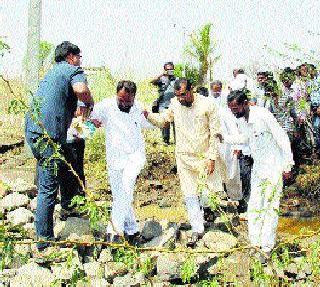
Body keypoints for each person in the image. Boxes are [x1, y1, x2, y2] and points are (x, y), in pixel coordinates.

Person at [25, 41, 94, 252]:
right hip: (49, 136)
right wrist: (89, 102)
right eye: (79, 56)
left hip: (34, 130)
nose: (80, 60)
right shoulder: (73, 70)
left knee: (62, 167)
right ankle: (44, 240)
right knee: (48, 187)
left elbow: (56, 104)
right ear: (71, 56)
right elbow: (81, 89)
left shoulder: (51, 75)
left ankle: (68, 208)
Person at [145, 78, 223, 247]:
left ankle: (207, 212)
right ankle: (197, 228)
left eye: (182, 95)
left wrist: (212, 157)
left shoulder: (208, 105)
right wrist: (148, 115)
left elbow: (216, 133)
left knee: (207, 194)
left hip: (204, 157)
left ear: (191, 90)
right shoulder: (174, 104)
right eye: (178, 95)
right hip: (184, 157)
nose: (180, 99)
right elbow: (163, 121)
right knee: (190, 193)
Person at [226, 90, 294, 262]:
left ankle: (267, 247)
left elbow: (282, 137)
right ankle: (254, 244)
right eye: (231, 109)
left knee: (270, 208)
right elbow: (246, 139)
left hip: (273, 168)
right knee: (254, 206)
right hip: (258, 169)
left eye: (235, 108)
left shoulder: (263, 115)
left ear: (245, 103)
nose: (234, 112)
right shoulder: (242, 120)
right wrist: (225, 138)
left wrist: (288, 165)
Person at [91, 80, 153, 245]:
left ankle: (114, 231)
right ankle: (132, 229)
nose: (124, 103)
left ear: (134, 97)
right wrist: (89, 125)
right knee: (120, 195)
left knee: (126, 189)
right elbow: (91, 121)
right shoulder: (105, 106)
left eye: (128, 101)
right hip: (115, 159)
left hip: (134, 157)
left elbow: (151, 124)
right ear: (116, 95)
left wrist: (153, 114)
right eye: (121, 100)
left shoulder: (139, 108)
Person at [209, 80, 242, 201]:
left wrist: (237, 146)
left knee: (231, 172)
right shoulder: (206, 106)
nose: (216, 91)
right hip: (211, 146)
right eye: (214, 89)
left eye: (218, 89)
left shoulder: (224, 110)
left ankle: (236, 199)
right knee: (214, 173)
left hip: (226, 145)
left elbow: (233, 128)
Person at [150, 62, 178, 144]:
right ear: (165, 70)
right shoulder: (161, 79)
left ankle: (177, 141)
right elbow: (151, 81)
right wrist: (161, 74)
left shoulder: (177, 79)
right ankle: (166, 141)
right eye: (168, 69)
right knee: (165, 123)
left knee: (176, 124)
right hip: (163, 105)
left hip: (175, 105)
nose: (170, 71)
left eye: (171, 69)